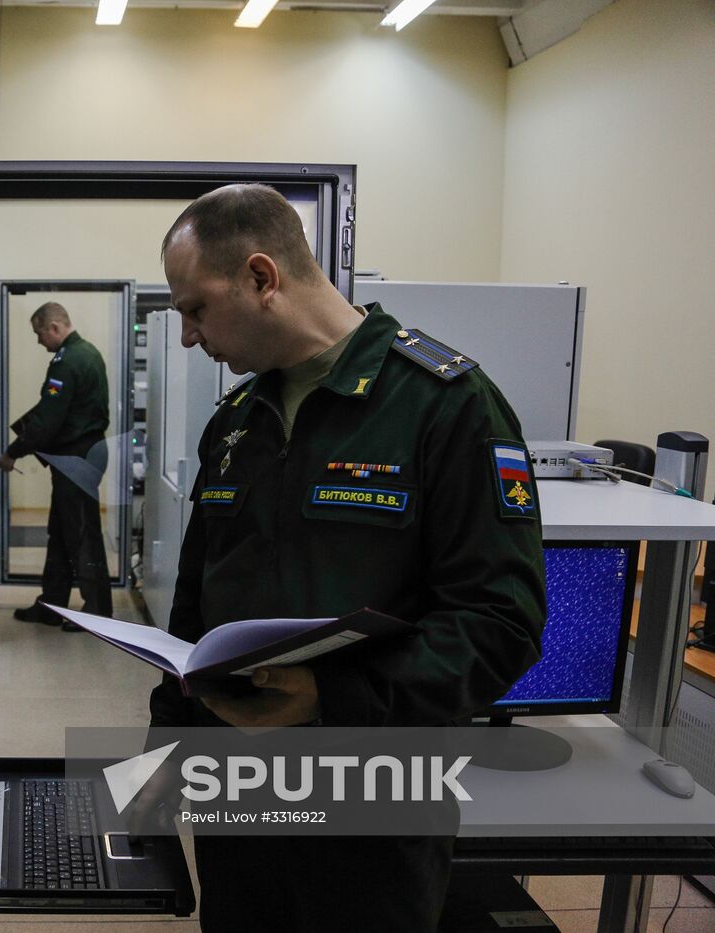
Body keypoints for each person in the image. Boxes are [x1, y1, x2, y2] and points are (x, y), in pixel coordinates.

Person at [149, 184, 545, 931]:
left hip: (373, 815)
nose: (188, 338)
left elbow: (502, 623)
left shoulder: (445, 405)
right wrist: (156, 780)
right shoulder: (236, 423)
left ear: (263, 278)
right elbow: (192, 620)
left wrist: (330, 698)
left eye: (195, 308)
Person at [0, 301, 113, 629]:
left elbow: (49, 419)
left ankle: (97, 613)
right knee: (62, 532)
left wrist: (12, 452)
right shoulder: (86, 353)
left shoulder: (66, 362)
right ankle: (52, 605)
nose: (38, 341)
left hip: (76, 456)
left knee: (81, 533)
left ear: (54, 327)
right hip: (82, 453)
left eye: (39, 333)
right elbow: (54, 410)